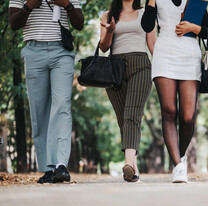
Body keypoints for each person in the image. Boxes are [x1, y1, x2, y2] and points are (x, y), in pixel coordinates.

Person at [9, 0, 84, 183]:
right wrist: (29, 6)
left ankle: (60, 165)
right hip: (33, 51)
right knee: (39, 110)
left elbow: (80, 24)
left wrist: (67, 4)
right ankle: (47, 169)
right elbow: (13, 23)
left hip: (62, 51)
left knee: (62, 105)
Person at [141, 0, 208, 183]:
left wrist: (193, 28)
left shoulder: (196, 1)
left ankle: (179, 158)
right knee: (169, 111)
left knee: (188, 116)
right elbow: (146, 25)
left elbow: (207, 32)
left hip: (189, 55)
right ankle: (179, 167)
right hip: (164, 53)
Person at [100, 0, 156, 182]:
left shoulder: (144, 14)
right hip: (114, 69)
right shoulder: (108, 16)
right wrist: (109, 30)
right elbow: (103, 47)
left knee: (132, 115)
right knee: (123, 119)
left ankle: (129, 165)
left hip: (140, 66)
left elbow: (153, 45)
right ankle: (133, 167)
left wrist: (166, 71)